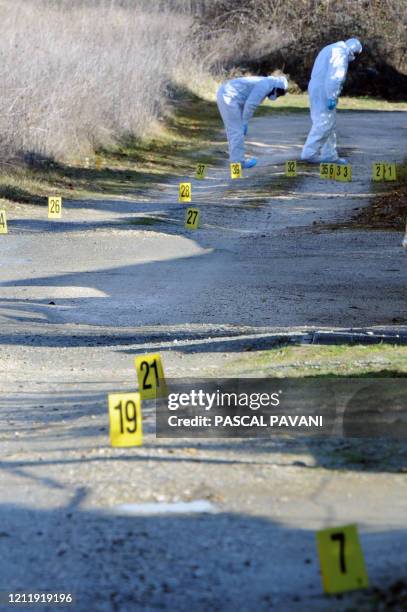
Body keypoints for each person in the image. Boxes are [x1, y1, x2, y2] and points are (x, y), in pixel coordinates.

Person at [301, 38, 363, 164]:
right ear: (353, 52)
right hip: (325, 91)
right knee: (324, 123)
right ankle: (309, 154)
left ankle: (329, 154)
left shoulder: (330, 47)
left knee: (327, 123)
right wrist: (332, 96)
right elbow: (335, 78)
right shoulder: (340, 53)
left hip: (317, 88)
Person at [216, 75, 288, 169]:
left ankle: (236, 161)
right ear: (277, 87)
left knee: (235, 132)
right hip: (228, 96)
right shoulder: (265, 85)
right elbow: (251, 104)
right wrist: (244, 122)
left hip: (231, 96)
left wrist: (244, 121)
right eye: (279, 93)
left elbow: (247, 102)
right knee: (236, 132)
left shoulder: (267, 83)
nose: (277, 96)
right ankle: (237, 164)